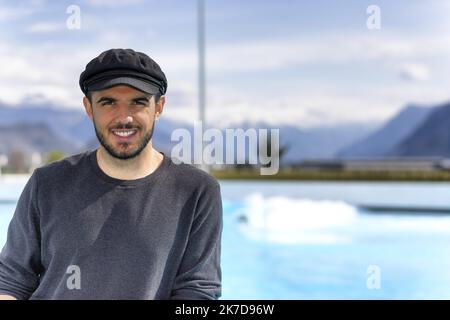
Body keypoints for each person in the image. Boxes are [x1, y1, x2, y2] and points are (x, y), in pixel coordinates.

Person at [0, 48, 223, 300]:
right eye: (108, 102)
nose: (124, 118)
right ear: (89, 107)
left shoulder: (197, 191)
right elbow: (11, 281)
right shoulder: (47, 183)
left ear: (159, 107)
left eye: (138, 102)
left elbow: (197, 292)